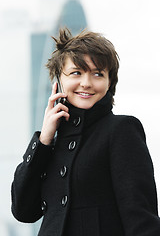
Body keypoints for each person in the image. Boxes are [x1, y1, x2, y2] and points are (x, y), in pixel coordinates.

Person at [11, 28, 160, 236]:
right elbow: (23, 211)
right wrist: (43, 140)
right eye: (76, 73)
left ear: (110, 83)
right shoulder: (50, 147)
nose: (87, 83)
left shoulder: (122, 131)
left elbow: (142, 222)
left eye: (98, 73)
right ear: (58, 82)